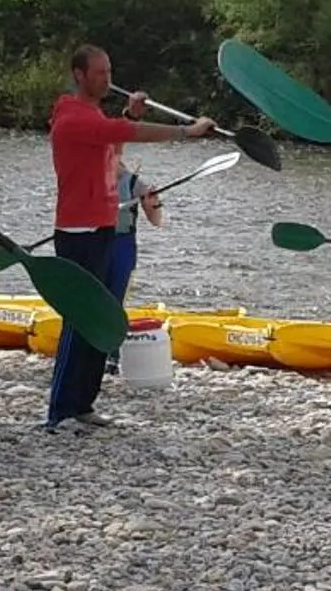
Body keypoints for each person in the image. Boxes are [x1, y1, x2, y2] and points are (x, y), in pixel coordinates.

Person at [45, 48, 212, 431]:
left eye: (109, 71)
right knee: (81, 320)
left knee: (103, 317)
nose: (107, 79)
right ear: (79, 75)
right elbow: (126, 133)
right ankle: (61, 411)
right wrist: (186, 132)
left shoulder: (94, 116)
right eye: (99, 73)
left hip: (104, 227)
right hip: (78, 233)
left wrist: (131, 114)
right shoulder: (72, 116)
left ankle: (83, 404)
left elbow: (112, 147)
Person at [105, 157, 164, 307]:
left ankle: (114, 317)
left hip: (122, 244)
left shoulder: (134, 183)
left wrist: (154, 203)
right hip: (95, 242)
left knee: (116, 297)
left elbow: (156, 221)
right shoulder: (88, 177)